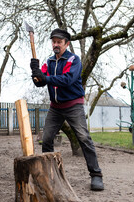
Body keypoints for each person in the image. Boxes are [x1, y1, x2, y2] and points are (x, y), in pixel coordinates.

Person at [30, 28, 104, 191]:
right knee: (47, 139)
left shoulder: (74, 60)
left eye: (59, 42)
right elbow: (39, 81)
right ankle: (50, 175)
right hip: (55, 108)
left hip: (73, 105)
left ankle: (96, 176)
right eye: (53, 42)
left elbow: (67, 79)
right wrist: (35, 71)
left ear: (66, 44)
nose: (56, 45)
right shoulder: (49, 62)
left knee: (84, 138)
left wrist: (45, 78)